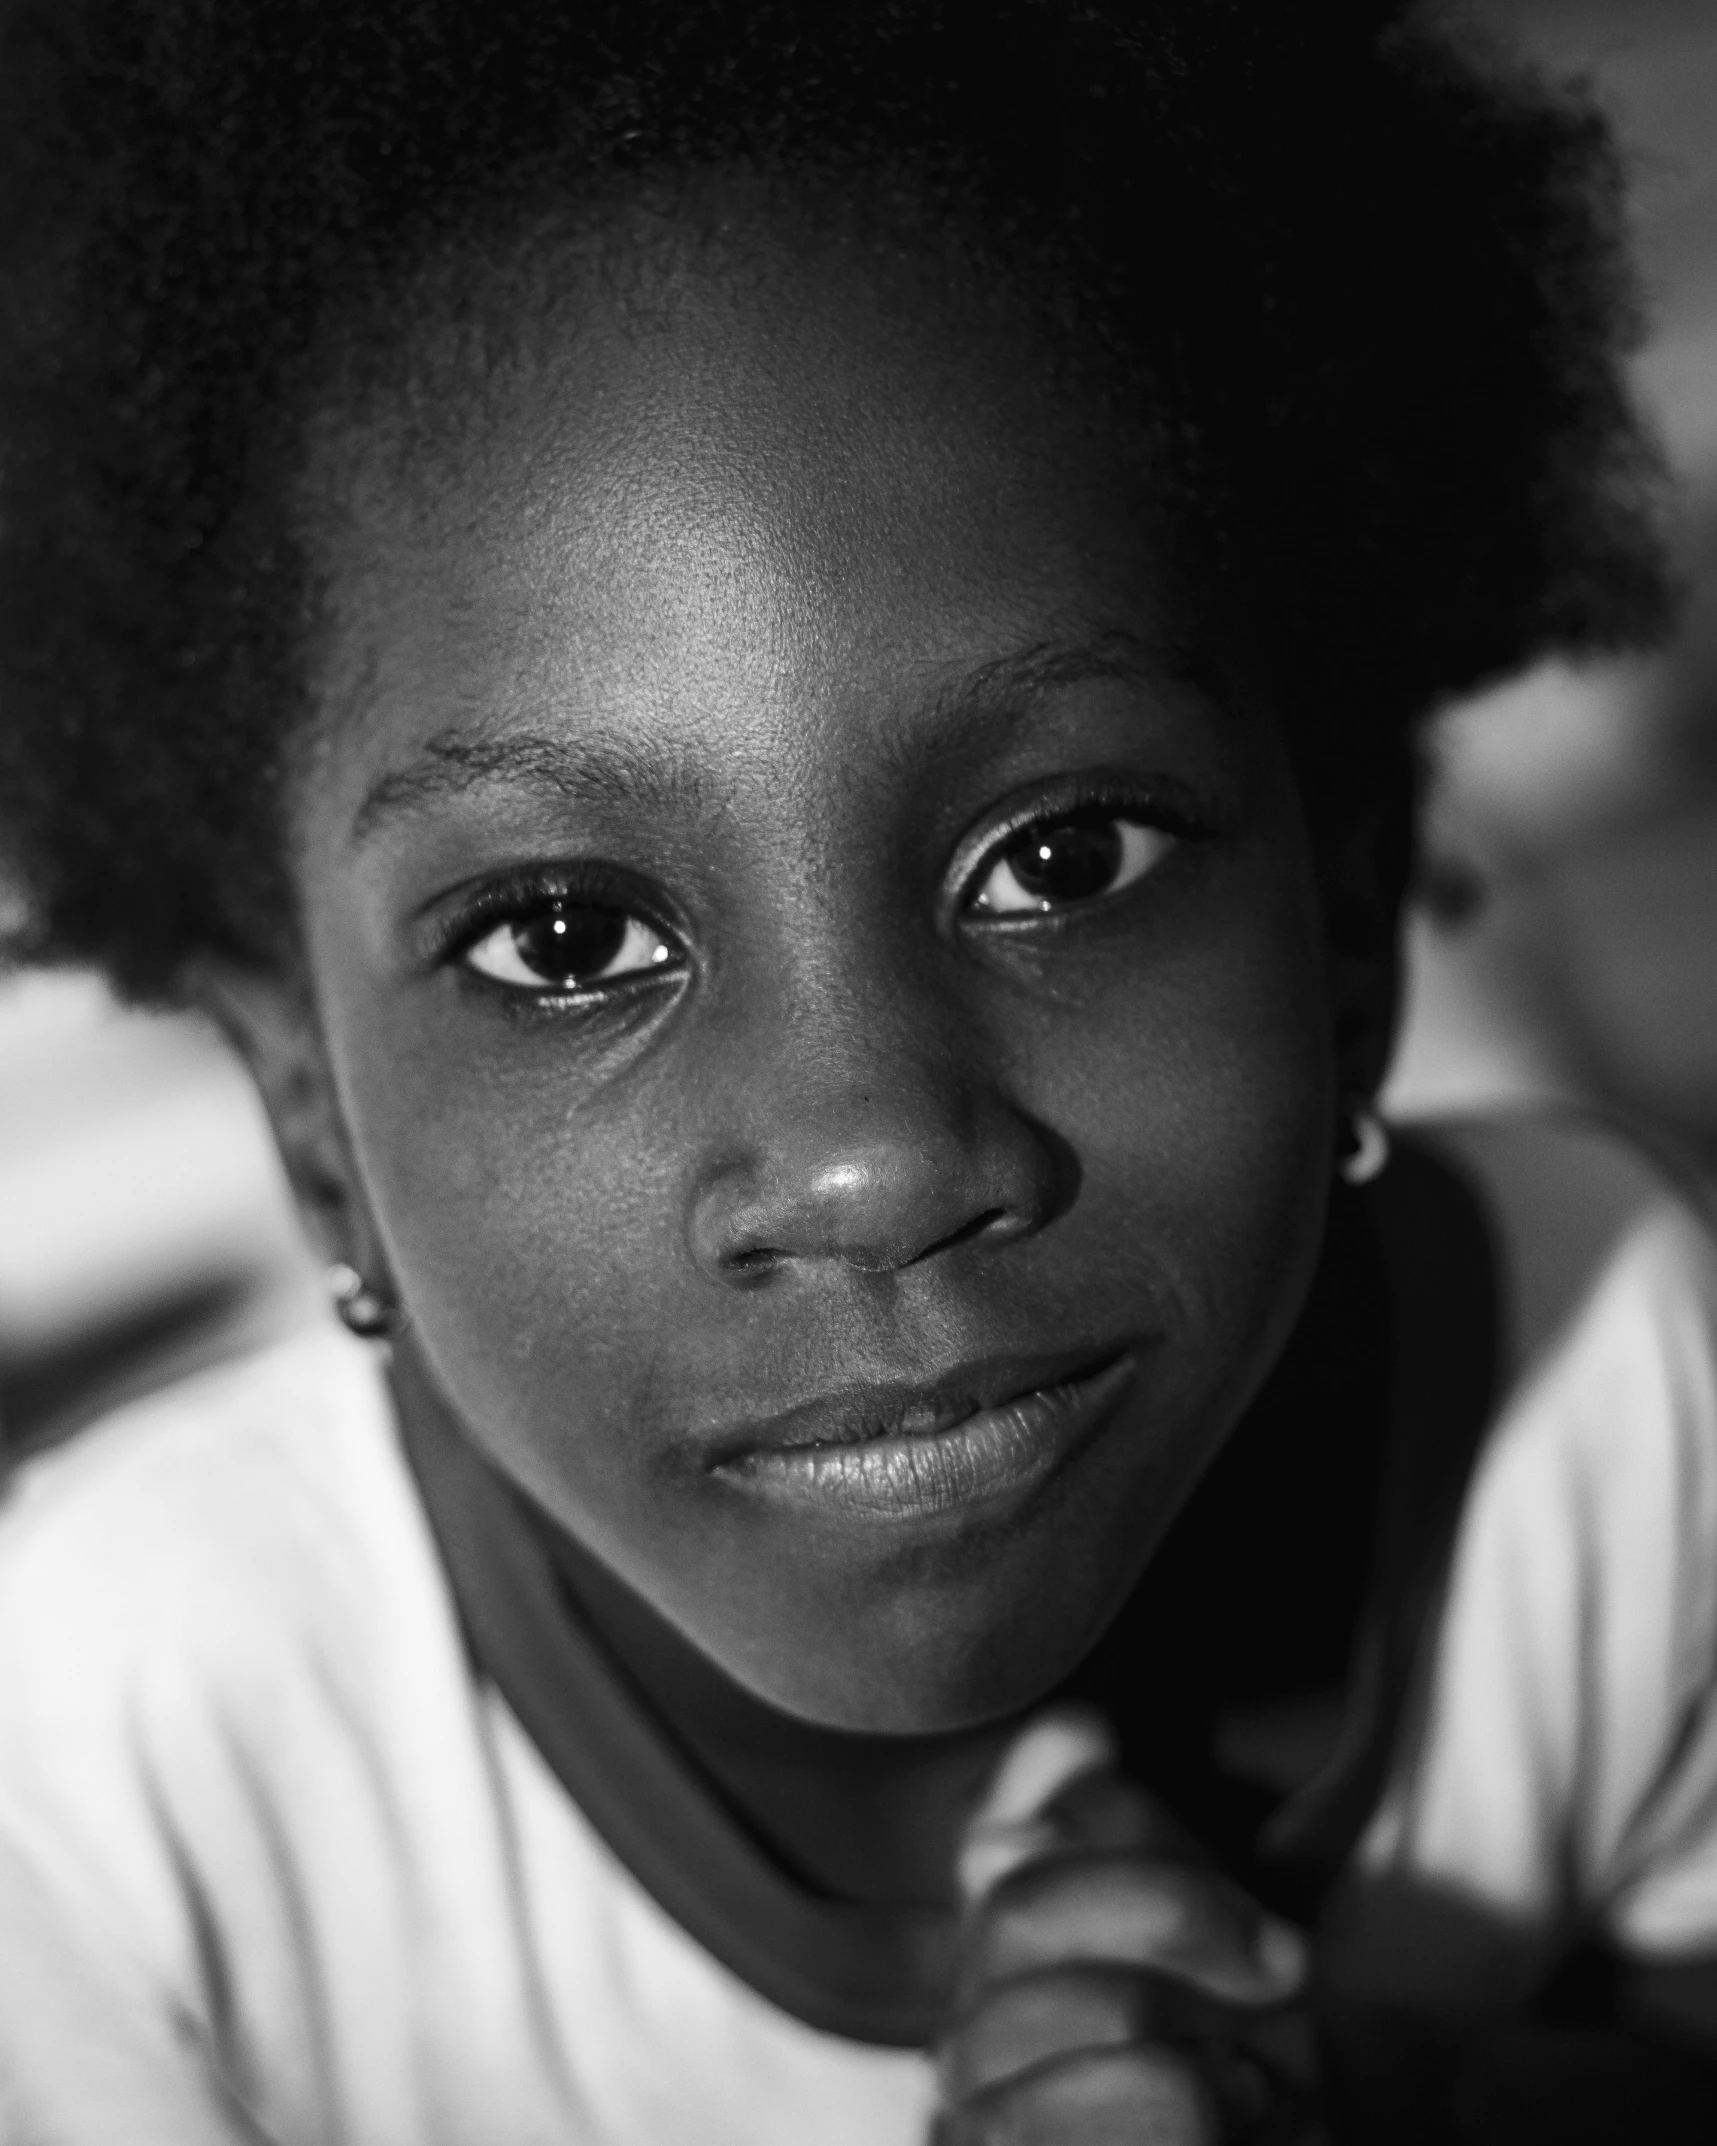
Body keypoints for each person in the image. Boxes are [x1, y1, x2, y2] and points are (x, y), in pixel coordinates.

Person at [0, 2, 1710, 2139]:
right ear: (311, 1124)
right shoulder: (113, 1775)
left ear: (1351, 923)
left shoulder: (1633, 1406)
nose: (874, 1160)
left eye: (1060, 856)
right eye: (565, 940)